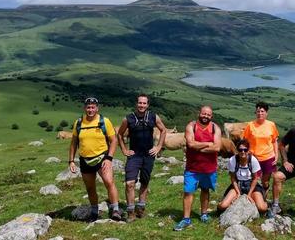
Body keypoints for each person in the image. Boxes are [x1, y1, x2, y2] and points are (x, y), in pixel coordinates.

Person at [68, 97, 121, 221]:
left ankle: (116, 210)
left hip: (102, 157)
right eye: (88, 107)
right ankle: (94, 211)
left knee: (109, 182)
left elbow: (114, 140)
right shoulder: (79, 123)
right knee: (90, 187)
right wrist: (71, 161)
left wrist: (109, 158)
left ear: (97, 108)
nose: (90, 110)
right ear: (84, 108)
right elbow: (73, 143)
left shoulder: (104, 121)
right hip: (85, 160)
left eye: (93, 107)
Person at [117, 94, 167, 222]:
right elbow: (120, 134)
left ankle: (141, 208)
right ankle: (130, 212)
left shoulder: (153, 116)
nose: (142, 105)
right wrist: (124, 149)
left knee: (144, 182)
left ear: (148, 105)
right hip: (134, 155)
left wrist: (158, 146)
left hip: (148, 155)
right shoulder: (128, 119)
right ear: (136, 104)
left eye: (144, 103)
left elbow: (163, 130)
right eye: (140, 103)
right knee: (129, 183)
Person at [174, 105, 222, 231]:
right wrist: (207, 144)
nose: (205, 116)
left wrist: (198, 146)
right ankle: (186, 219)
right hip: (192, 168)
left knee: (205, 190)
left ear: (211, 116)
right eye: (203, 113)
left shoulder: (215, 128)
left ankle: (204, 214)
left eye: (208, 115)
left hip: (209, 168)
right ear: (199, 113)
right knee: (188, 192)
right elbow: (190, 144)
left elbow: (217, 147)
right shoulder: (191, 126)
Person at [217, 138, 267, 213]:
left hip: (251, 184)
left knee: (262, 208)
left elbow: (255, 179)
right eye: (240, 150)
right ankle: (219, 205)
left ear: (248, 150)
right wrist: (238, 192)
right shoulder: (232, 160)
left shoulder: (253, 160)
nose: (243, 152)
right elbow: (233, 178)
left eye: (245, 150)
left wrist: (249, 194)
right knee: (223, 206)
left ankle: (267, 204)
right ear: (237, 150)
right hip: (238, 184)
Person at [242, 101, 279, 195]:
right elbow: (244, 142)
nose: (260, 113)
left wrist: (276, 156)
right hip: (254, 157)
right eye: (258, 111)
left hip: (268, 157)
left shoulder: (271, 125)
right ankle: (251, 197)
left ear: (266, 113)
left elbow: (274, 141)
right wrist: (246, 154)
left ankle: (263, 198)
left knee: (265, 182)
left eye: (262, 111)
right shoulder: (250, 125)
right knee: (252, 179)